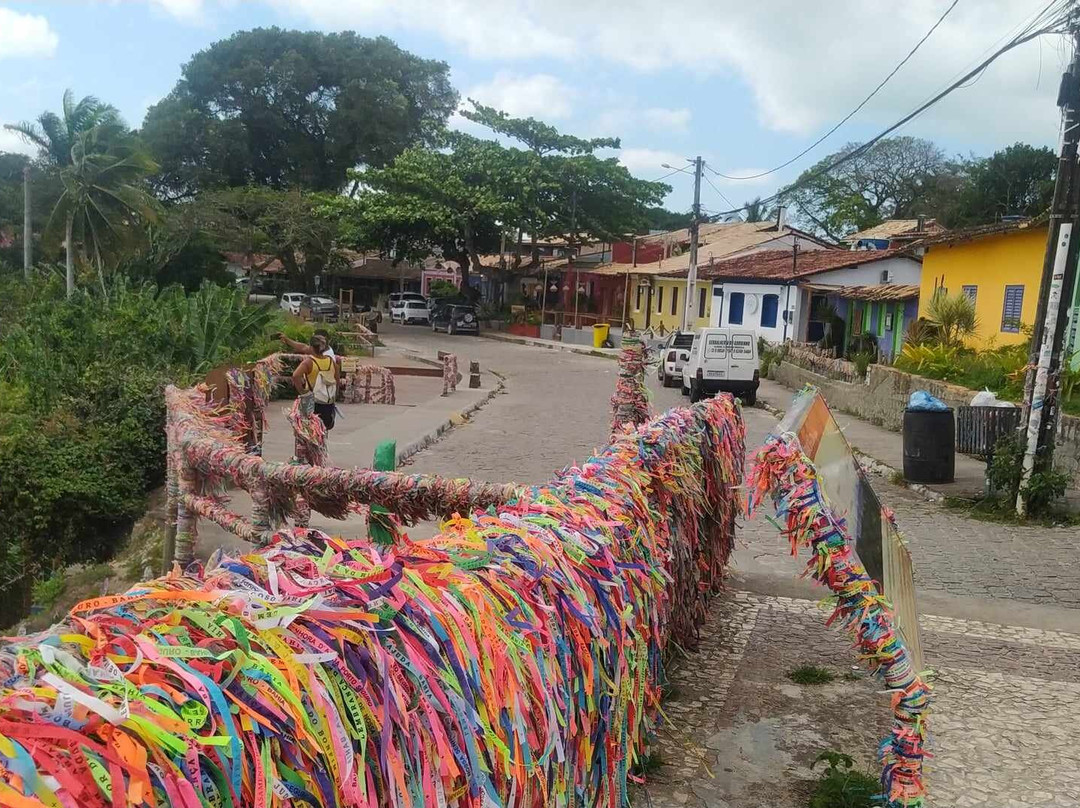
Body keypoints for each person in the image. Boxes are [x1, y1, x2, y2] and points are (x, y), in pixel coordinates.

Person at [291, 334, 340, 430]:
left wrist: (302, 391)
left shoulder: (309, 362)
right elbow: (337, 380)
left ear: (311, 347)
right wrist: (334, 395)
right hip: (327, 402)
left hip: (312, 402)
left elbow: (295, 375)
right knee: (323, 431)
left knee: (309, 431)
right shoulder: (331, 362)